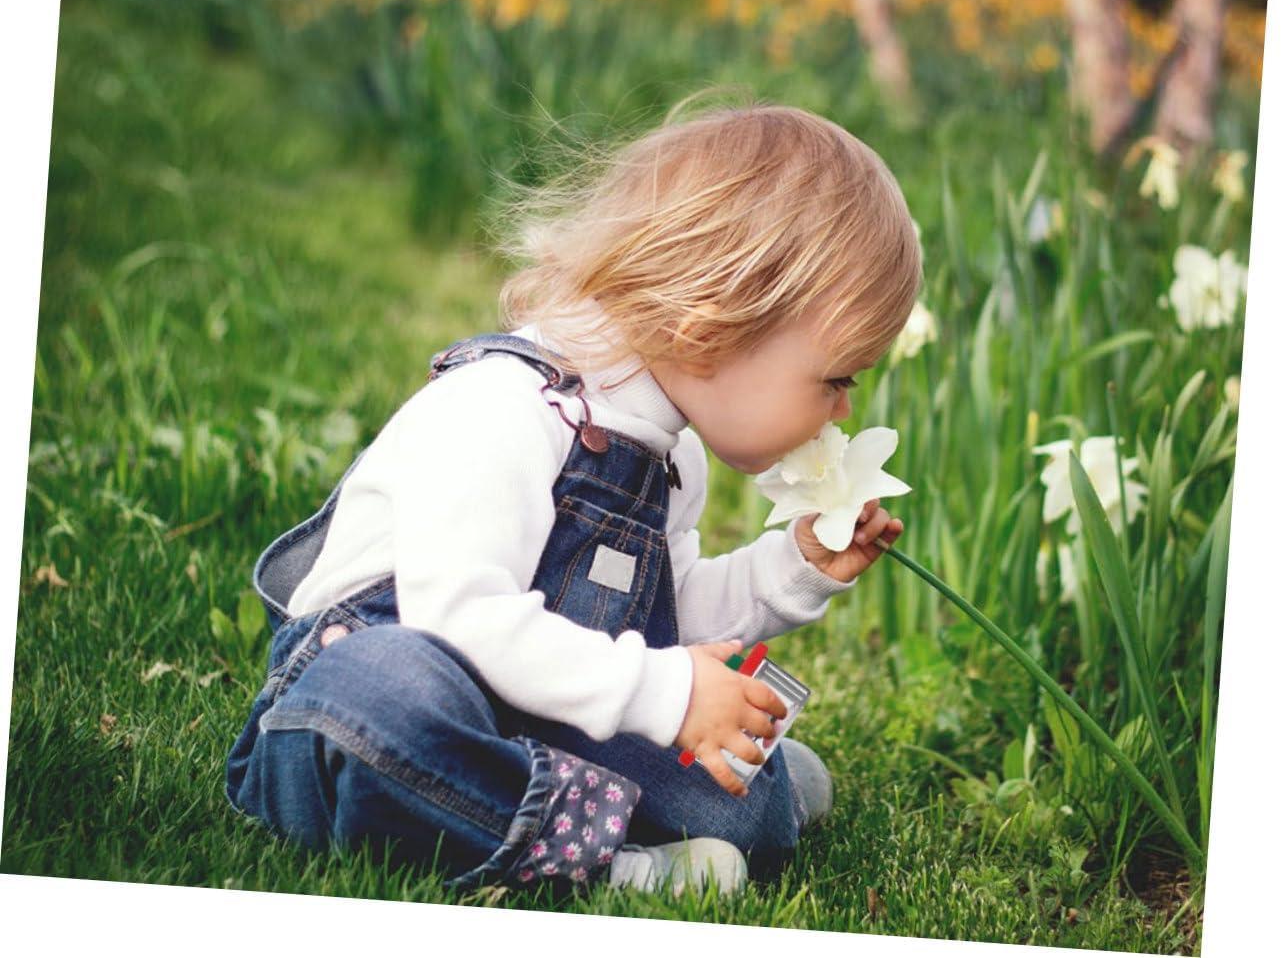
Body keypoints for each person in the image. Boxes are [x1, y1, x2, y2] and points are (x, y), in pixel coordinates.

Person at [225, 98, 921, 896]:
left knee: (740, 798)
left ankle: (647, 803)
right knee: (385, 696)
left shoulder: (669, 456)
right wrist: (668, 692)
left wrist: (792, 569)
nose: (841, 410)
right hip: (375, 705)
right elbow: (458, 615)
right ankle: (614, 865)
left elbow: (664, 616)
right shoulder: (505, 409)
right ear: (708, 328)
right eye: (834, 379)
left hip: (533, 714)